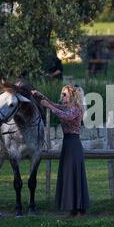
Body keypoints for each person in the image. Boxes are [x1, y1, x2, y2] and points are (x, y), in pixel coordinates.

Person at [31, 84, 89, 216]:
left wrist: (49, 106)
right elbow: (52, 104)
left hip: (74, 144)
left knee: (74, 175)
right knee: (68, 175)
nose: (62, 97)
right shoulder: (66, 107)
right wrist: (38, 94)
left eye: (64, 94)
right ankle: (73, 208)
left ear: (72, 96)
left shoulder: (76, 109)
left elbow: (65, 116)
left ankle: (80, 208)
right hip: (68, 143)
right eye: (62, 94)